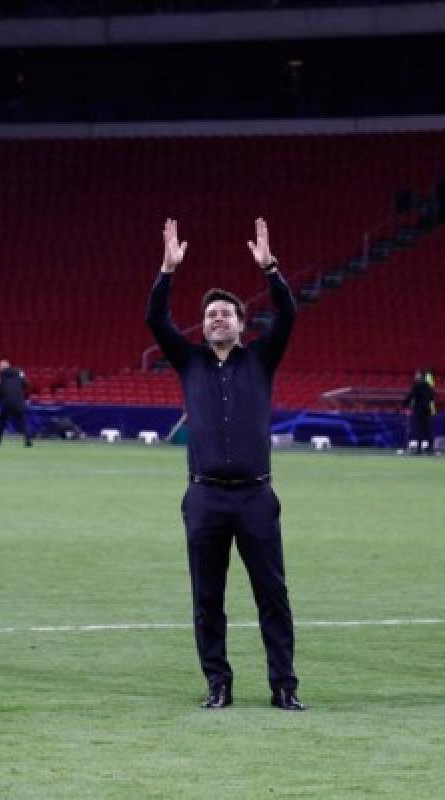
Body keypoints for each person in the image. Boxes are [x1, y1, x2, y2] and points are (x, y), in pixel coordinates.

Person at [145, 217, 303, 712]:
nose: (217, 319)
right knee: (207, 600)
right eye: (211, 313)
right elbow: (156, 320)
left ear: (240, 323)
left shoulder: (260, 359)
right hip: (206, 496)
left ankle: (283, 686)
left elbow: (289, 313)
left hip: (256, 496)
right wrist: (168, 270)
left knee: (272, 596)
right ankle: (218, 683)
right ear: (204, 324)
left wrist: (270, 268)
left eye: (226, 313)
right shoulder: (189, 361)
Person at [0, 359, 32, 446]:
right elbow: (26, 385)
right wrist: (26, 398)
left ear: (3, 367)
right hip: (19, 401)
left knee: (1, 422)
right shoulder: (20, 372)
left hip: (6, 402)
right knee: (23, 421)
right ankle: (28, 441)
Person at [402, 369, 435, 454]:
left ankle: (419, 449)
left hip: (419, 409)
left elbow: (411, 396)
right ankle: (430, 448)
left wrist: (404, 404)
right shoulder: (428, 385)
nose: (416, 376)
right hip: (427, 409)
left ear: (420, 375)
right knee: (427, 428)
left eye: (417, 374)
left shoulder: (417, 385)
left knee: (419, 429)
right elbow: (432, 397)